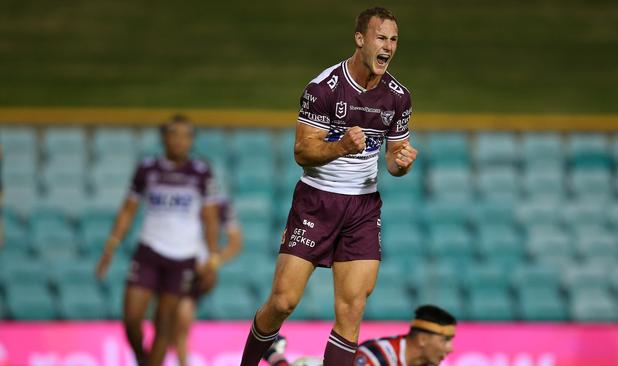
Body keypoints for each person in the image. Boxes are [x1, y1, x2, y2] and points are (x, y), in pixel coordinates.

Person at [240, 7, 418, 366]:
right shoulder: (323, 89)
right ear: (360, 39)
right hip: (317, 202)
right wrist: (341, 146)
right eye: (381, 37)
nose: (388, 46)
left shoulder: (398, 97)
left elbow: (394, 157)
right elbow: (302, 152)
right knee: (283, 301)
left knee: (352, 310)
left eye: (394, 39)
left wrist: (400, 165)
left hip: (363, 208)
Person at [95, 115, 221, 366]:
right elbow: (128, 209)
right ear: (164, 138)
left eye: (186, 136)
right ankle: (143, 359)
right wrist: (111, 246)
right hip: (149, 250)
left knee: (164, 325)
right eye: (175, 135)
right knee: (131, 319)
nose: (180, 141)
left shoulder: (201, 172)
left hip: (183, 257)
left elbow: (209, 218)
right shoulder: (147, 168)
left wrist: (212, 258)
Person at [263, 305, 457, 366]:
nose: (450, 348)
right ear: (423, 339)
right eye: (445, 340)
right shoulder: (377, 356)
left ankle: (274, 350)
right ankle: (272, 351)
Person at [174, 193, 242, 366]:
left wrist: (213, 262)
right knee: (173, 325)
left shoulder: (221, 204)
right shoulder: (182, 199)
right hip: (174, 263)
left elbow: (235, 242)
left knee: (180, 323)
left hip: (195, 270)